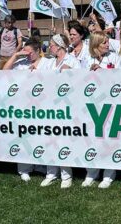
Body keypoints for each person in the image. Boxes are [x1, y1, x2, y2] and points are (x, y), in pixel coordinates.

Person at [36, 34, 80, 188]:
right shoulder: (49, 63)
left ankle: (66, 175)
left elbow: (80, 80)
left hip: (66, 107)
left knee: (64, 141)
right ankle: (51, 172)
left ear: (60, 46)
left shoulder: (73, 61)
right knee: (49, 139)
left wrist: (69, 73)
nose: (50, 48)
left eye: (52, 45)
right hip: (49, 107)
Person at [2, 39, 46, 181]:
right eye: (25, 52)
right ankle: (24, 168)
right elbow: (4, 72)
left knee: (40, 137)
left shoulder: (48, 63)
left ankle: (40, 165)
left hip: (42, 106)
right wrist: (16, 55)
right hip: (24, 107)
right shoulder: (21, 64)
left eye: (30, 53)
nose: (27, 55)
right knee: (24, 137)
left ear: (38, 50)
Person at [82, 32, 120, 189]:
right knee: (92, 139)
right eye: (104, 42)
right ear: (96, 45)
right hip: (92, 104)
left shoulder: (114, 57)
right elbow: (79, 79)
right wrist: (89, 72)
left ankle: (108, 174)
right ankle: (91, 172)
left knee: (109, 139)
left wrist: (104, 71)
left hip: (110, 104)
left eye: (107, 42)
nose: (107, 45)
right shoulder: (87, 59)